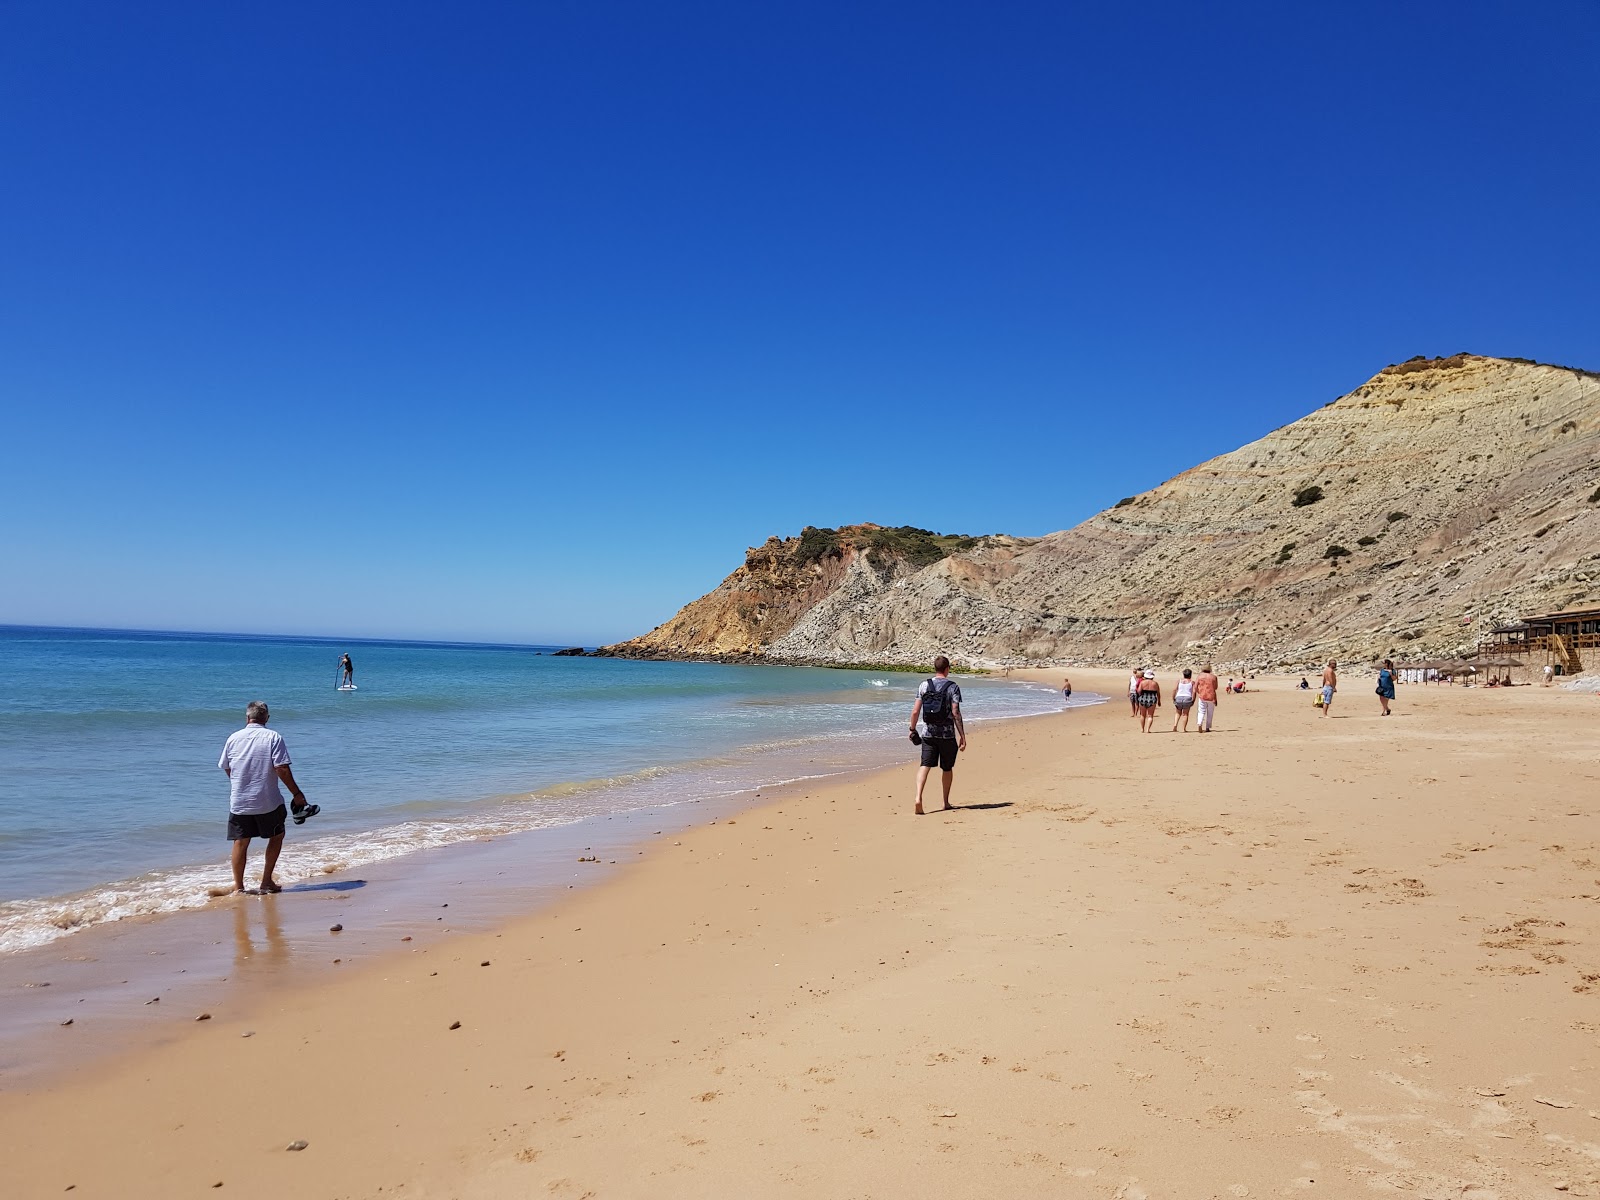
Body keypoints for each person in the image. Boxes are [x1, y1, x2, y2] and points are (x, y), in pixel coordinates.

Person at [218, 701, 316, 894]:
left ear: (247, 718)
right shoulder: (273, 737)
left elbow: (227, 767)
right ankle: (266, 881)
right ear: (267, 718)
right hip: (268, 802)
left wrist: (240, 783)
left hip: (239, 801)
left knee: (240, 841)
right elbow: (281, 768)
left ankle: (239, 887)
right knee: (277, 836)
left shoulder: (233, 738)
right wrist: (297, 794)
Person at [910, 656, 966, 815]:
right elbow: (955, 712)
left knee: (924, 765)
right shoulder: (953, 687)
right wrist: (962, 735)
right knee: (947, 768)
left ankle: (918, 797)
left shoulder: (924, 685)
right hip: (947, 736)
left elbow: (915, 711)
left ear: (935, 668)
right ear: (947, 669)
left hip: (928, 734)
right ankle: (945, 802)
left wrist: (912, 729)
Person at [1194, 665, 1219, 732]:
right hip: (1211, 695)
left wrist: (1198, 691)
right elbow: (1216, 687)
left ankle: (1199, 723)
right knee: (1210, 712)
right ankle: (1207, 727)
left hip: (1202, 695)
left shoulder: (1200, 676)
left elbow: (1195, 686)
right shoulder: (1214, 677)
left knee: (1201, 711)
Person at [1135, 668, 1162, 732]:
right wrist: (1159, 701)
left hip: (1143, 698)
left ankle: (1142, 729)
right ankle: (1148, 729)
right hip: (1152, 699)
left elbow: (1138, 691)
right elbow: (1158, 693)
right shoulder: (1155, 683)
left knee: (1142, 715)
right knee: (1150, 715)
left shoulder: (1142, 682)